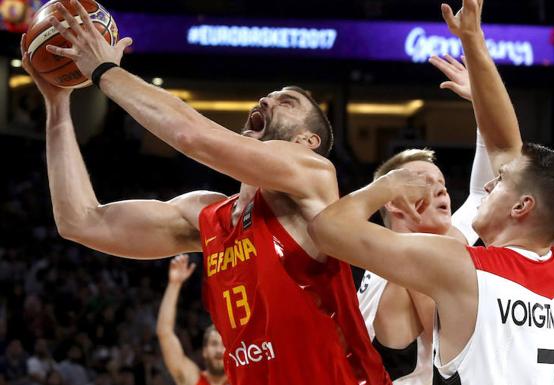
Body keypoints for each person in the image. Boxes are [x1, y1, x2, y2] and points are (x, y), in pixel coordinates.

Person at [24, 1, 391, 383]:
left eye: (287, 101)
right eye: (270, 95)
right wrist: (57, 104)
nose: (267, 99)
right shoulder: (208, 217)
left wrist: (104, 70)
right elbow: (80, 222)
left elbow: (191, 136)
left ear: (307, 140)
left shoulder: (314, 176)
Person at [309, 0, 554, 383]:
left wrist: (389, 183)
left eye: (502, 182)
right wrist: (473, 41)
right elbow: (506, 148)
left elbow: (327, 229)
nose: (489, 184)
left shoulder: (461, 265)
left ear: (523, 206)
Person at [358, 54, 554, 385]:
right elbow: (398, 336)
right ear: (391, 200)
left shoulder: (450, 243)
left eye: (443, 184)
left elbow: (485, 183)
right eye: (424, 182)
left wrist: (481, 104)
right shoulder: (380, 267)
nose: (441, 191)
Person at [156, 254, 227, 385]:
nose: (219, 350)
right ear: (204, 351)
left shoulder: (244, 379)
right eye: (214, 344)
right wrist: (174, 284)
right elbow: (165, 333)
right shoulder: (192, 379)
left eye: (224, 345)